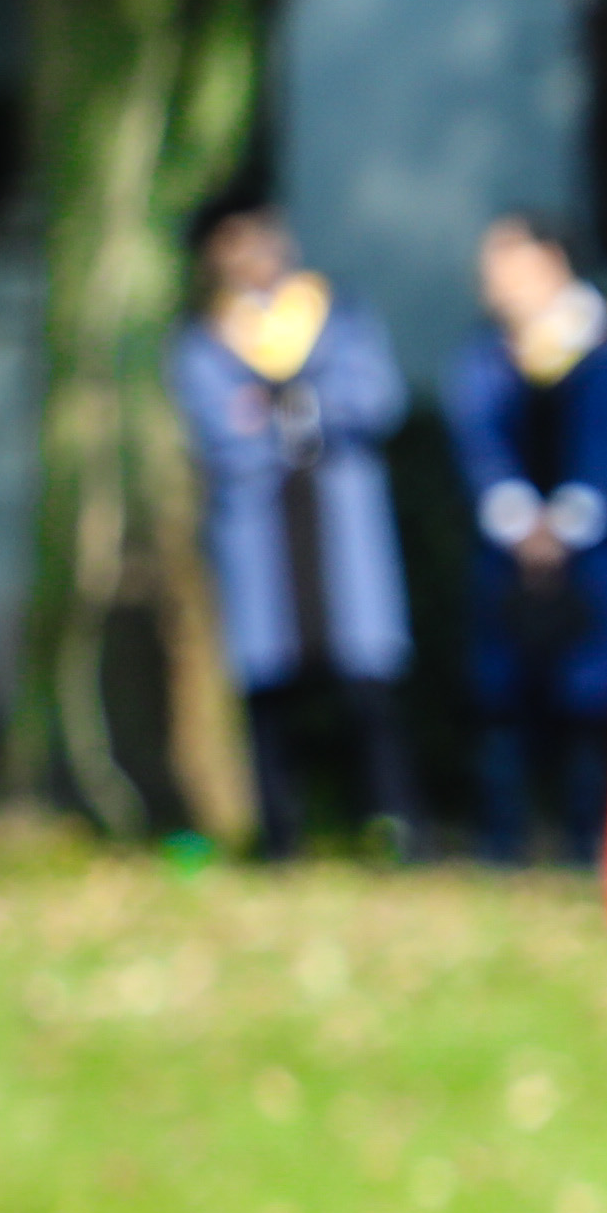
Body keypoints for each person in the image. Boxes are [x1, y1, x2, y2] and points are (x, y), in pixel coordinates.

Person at [170, 204, 420, 856]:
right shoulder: (206, 337)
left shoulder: (338, 316)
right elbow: (220, 437)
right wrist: (309, 419)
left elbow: (375, 401)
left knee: (367, 686)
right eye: (233, 244)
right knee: (269, 691)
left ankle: (392, 824)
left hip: (338, 523)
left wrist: (283, 410)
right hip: (261, 529)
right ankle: (283, 834)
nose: (251, 255)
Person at [450, 211, 607, 866]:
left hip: (598, 564)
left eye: (503, 266)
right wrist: (519, 524)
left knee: (591, 714)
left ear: (549, 264)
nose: (491, 284)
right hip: (507, 563)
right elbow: (479, 449)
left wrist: (566, 526)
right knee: (506, 715)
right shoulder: (484, 358)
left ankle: (588, 850)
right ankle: (504, 848)